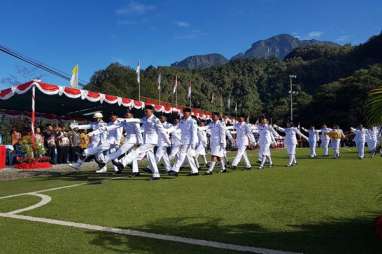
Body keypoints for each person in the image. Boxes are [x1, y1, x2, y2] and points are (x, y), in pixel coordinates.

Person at [119, 105, 170, 180]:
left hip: (152, 141)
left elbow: (162, 131)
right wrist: (126, 120)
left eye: (147, 111)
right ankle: (156, 175)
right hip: (146, 140)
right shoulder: (145, 118)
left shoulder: (156, 120)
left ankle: (123, 162)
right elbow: (139, 122)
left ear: (152, 111)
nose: (145, 112)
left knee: (138, 150)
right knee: (151, 158)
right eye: (145, 111)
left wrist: (168, 142)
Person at [102, 110, 142, 175]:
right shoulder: (125, 121)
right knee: (132, 155)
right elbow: (116, 125)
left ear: (132, 115)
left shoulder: (135, 121)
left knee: (121, 151)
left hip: (133, 139)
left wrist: (139, 142)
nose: (126, 115)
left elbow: (138, 132)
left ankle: (111, 161)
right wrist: (106, 128)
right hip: (128, 138)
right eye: (126, 114)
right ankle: (135, 171)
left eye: (127, 114)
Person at [168, 108, 199, 176]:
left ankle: (175, 170)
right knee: (188, 156)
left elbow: (194, 132)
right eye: (184, 112)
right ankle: (195, 171)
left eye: (186, 113)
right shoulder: (182, 121)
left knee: (181, 155)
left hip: (189, 141)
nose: (184, 114)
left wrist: (193, 143)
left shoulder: (192, 121)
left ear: (190, 113)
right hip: (183, 141)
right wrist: (167, 131)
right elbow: (176, 127)